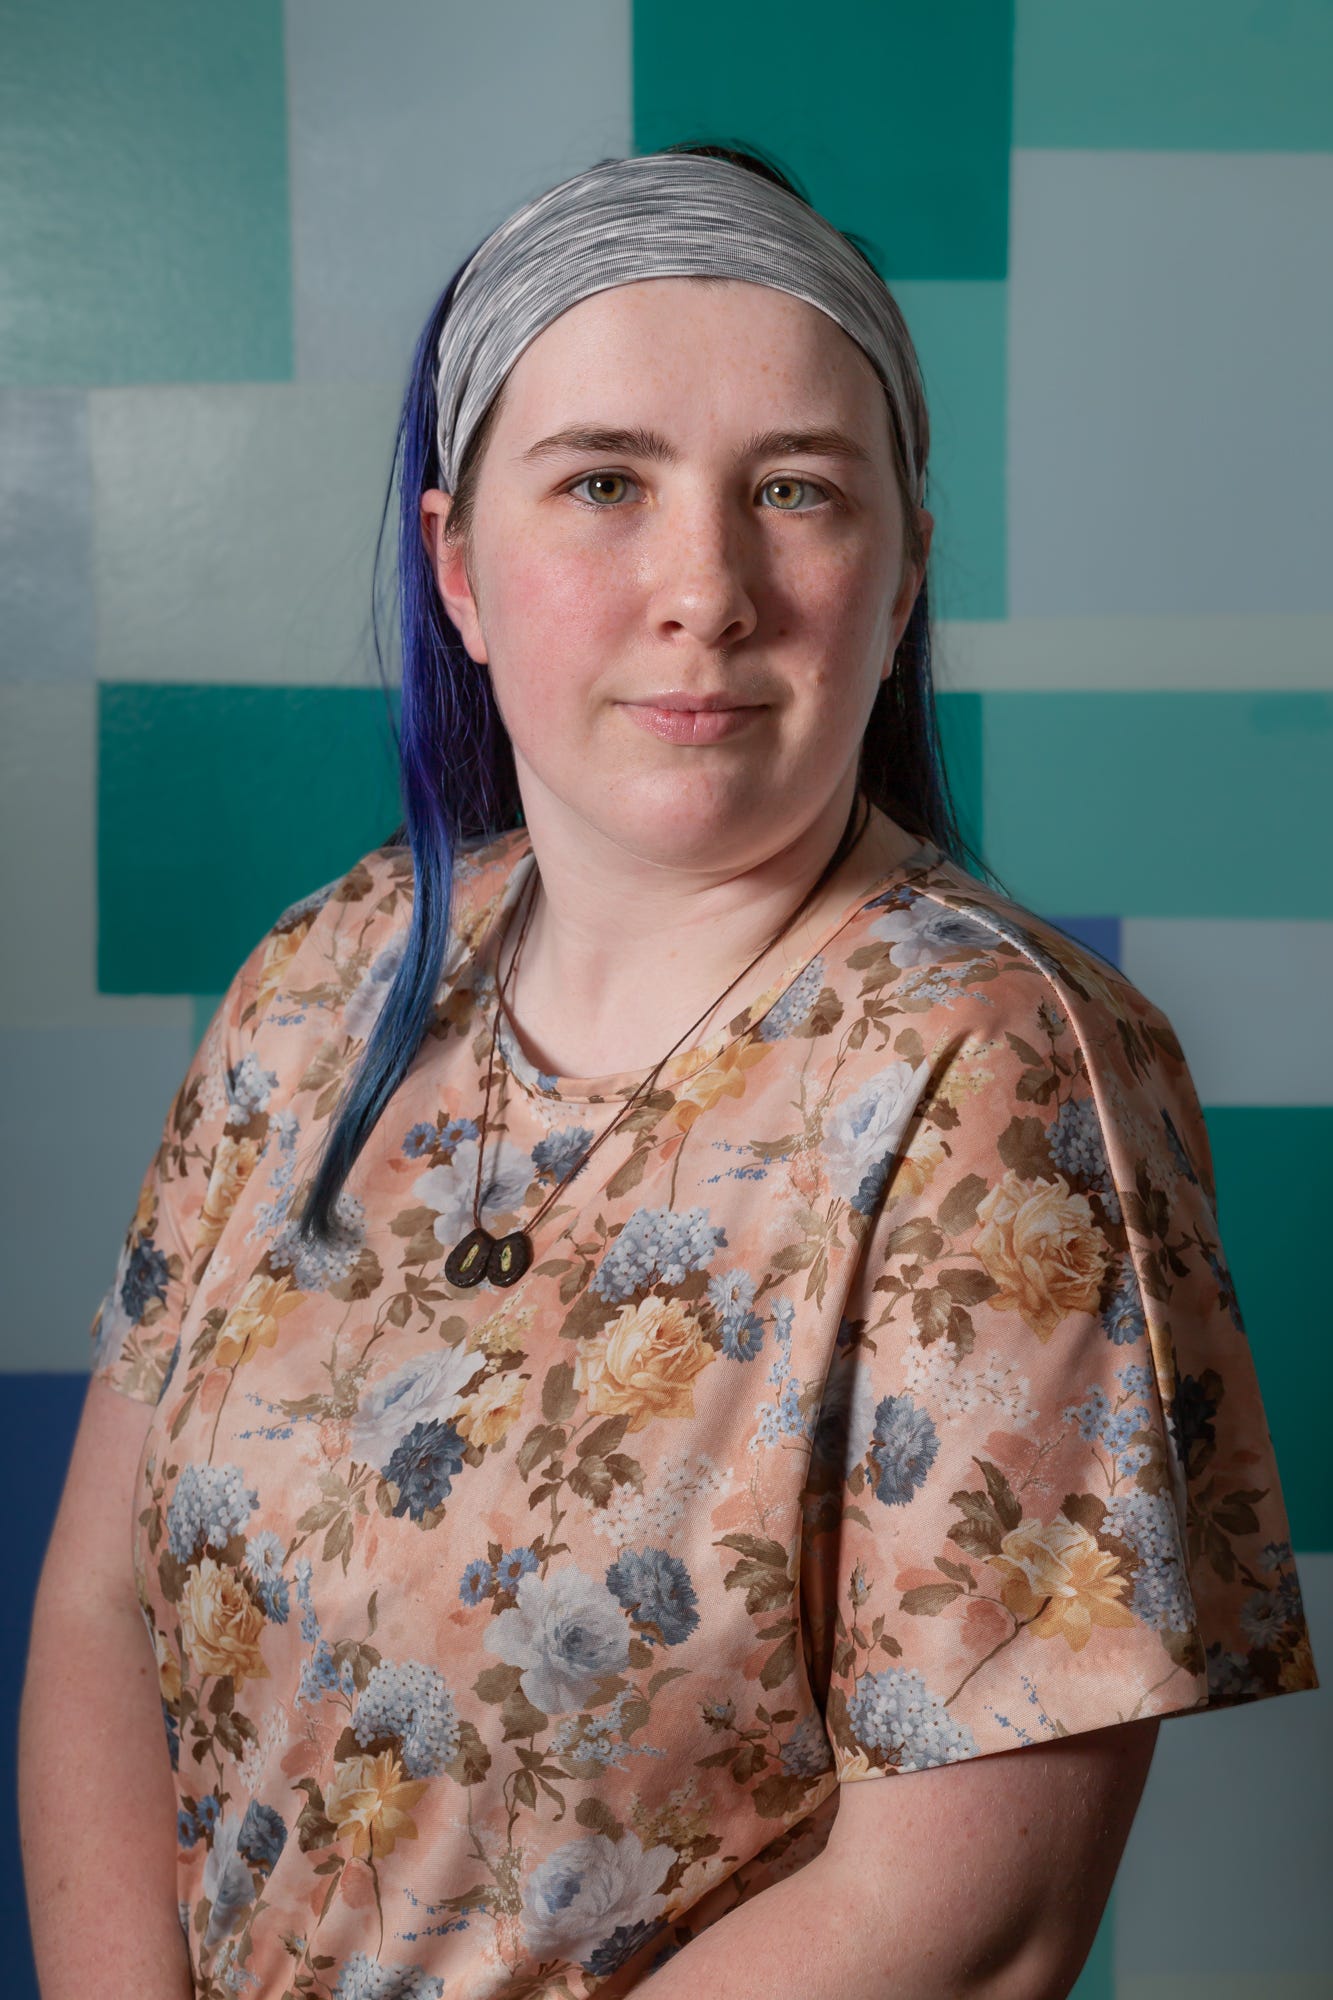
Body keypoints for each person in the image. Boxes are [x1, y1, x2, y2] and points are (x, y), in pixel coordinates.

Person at [20, 143, 1318, 2000]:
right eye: (605, 484)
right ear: (456, 565)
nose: (705, 589)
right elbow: (95, 1617)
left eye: (792, 491)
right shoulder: (321, 983)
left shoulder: (995, 1073)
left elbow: (954, 1930)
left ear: (901, 572)